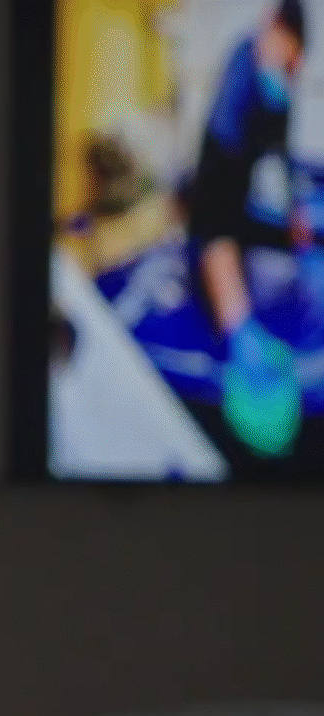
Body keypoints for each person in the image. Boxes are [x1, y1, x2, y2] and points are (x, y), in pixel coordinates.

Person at [189, 0, 310, 456]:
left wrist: (295, 211)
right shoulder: (245, 63)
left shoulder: (282, 84)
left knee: (270, 229)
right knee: (216, 233)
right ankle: (240, 332)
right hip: (216, 189)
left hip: (240, 201)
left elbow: (281, 153)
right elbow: (226, 144)